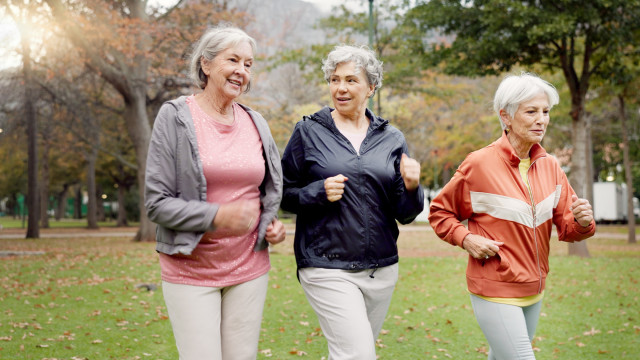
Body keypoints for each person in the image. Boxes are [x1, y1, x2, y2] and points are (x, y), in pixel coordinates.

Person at [428, 72, 596, 360]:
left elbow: (568, 230)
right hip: (495, 288)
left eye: (545, 111)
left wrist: (583, 221)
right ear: (506, 116)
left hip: (535, 289)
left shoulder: (551, 166)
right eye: (531, 111)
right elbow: (440, 212)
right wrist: (467, 239)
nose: (541, 119)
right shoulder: (478, 164)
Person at [144, 26, 285, 360]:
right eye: (233, 60)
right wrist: (217, 215)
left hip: (249, 266)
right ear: (206, 65)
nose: (242, 71)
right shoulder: (175, 117)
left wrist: (271, 224)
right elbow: (156, 203)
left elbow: (264, 189)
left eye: (248, 64)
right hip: (191, 267)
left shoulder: (256, 122)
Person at [280, 45, 424, 359]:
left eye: (350, 80)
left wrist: (412, 187)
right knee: (358, 355)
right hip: (325, 265)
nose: (340, 88)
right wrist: (317, 192)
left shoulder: (392, 138)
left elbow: (406, 214)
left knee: (347, 353)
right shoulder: (307, 132)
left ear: (371, 87)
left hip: (382, 269)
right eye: (334, 80)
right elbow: (282, 193)